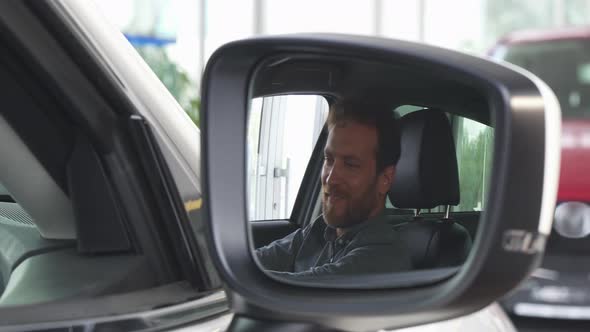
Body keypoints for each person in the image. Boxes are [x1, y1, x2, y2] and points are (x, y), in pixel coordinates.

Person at [255, 98, 412, 277]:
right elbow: (252, 263)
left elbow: (293, 290)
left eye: (351, 164)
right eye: (329, 160)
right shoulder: (320, 229)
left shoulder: (384, 258)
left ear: (385, 179)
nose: (331, 178)